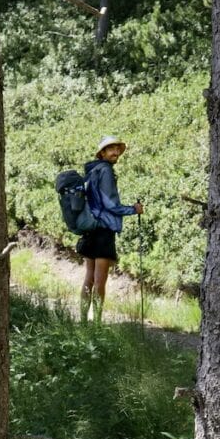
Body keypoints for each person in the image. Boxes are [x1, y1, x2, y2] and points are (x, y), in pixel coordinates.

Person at [77, 135, 143, 324]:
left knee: (89, 278)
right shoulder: (105, 170)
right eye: (111, 149)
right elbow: (110, 203)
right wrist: (133, 209)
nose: (115, 152)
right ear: (102, 153)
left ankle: (83, 322)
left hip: (90, 228)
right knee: (99, 280)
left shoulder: (92, 171)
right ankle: (96, 324)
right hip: (104, 230)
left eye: (117, 149)